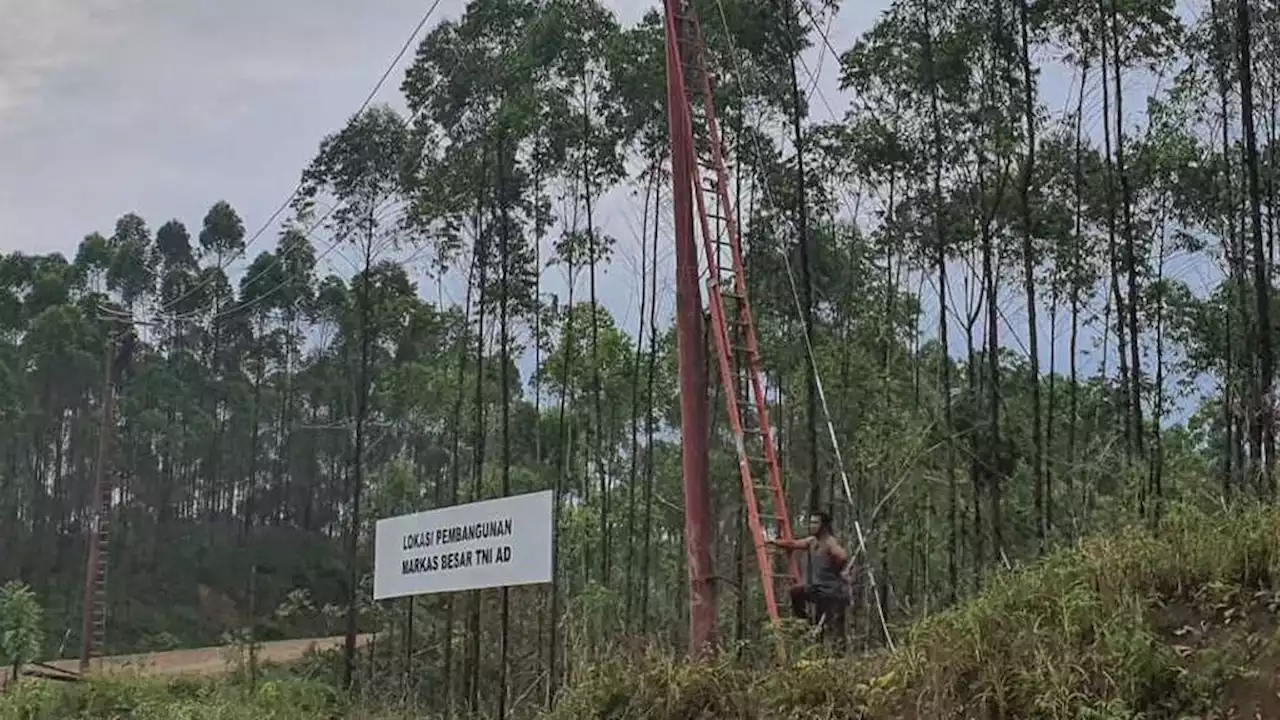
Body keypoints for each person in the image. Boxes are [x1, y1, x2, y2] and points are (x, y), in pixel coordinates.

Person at [766, 510, 850, 644]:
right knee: (796, 592)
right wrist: (775, 542)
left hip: (830, 590)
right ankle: (807, 626)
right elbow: (794, 544)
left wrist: (836, 570)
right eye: (811, 522)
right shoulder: (812, 541)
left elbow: (842, 556)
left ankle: (823, 643)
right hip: (818, 588)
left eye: (816, 523)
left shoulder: (829, 542)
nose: (812, 525)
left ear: (824, 526)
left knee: (824, 624)